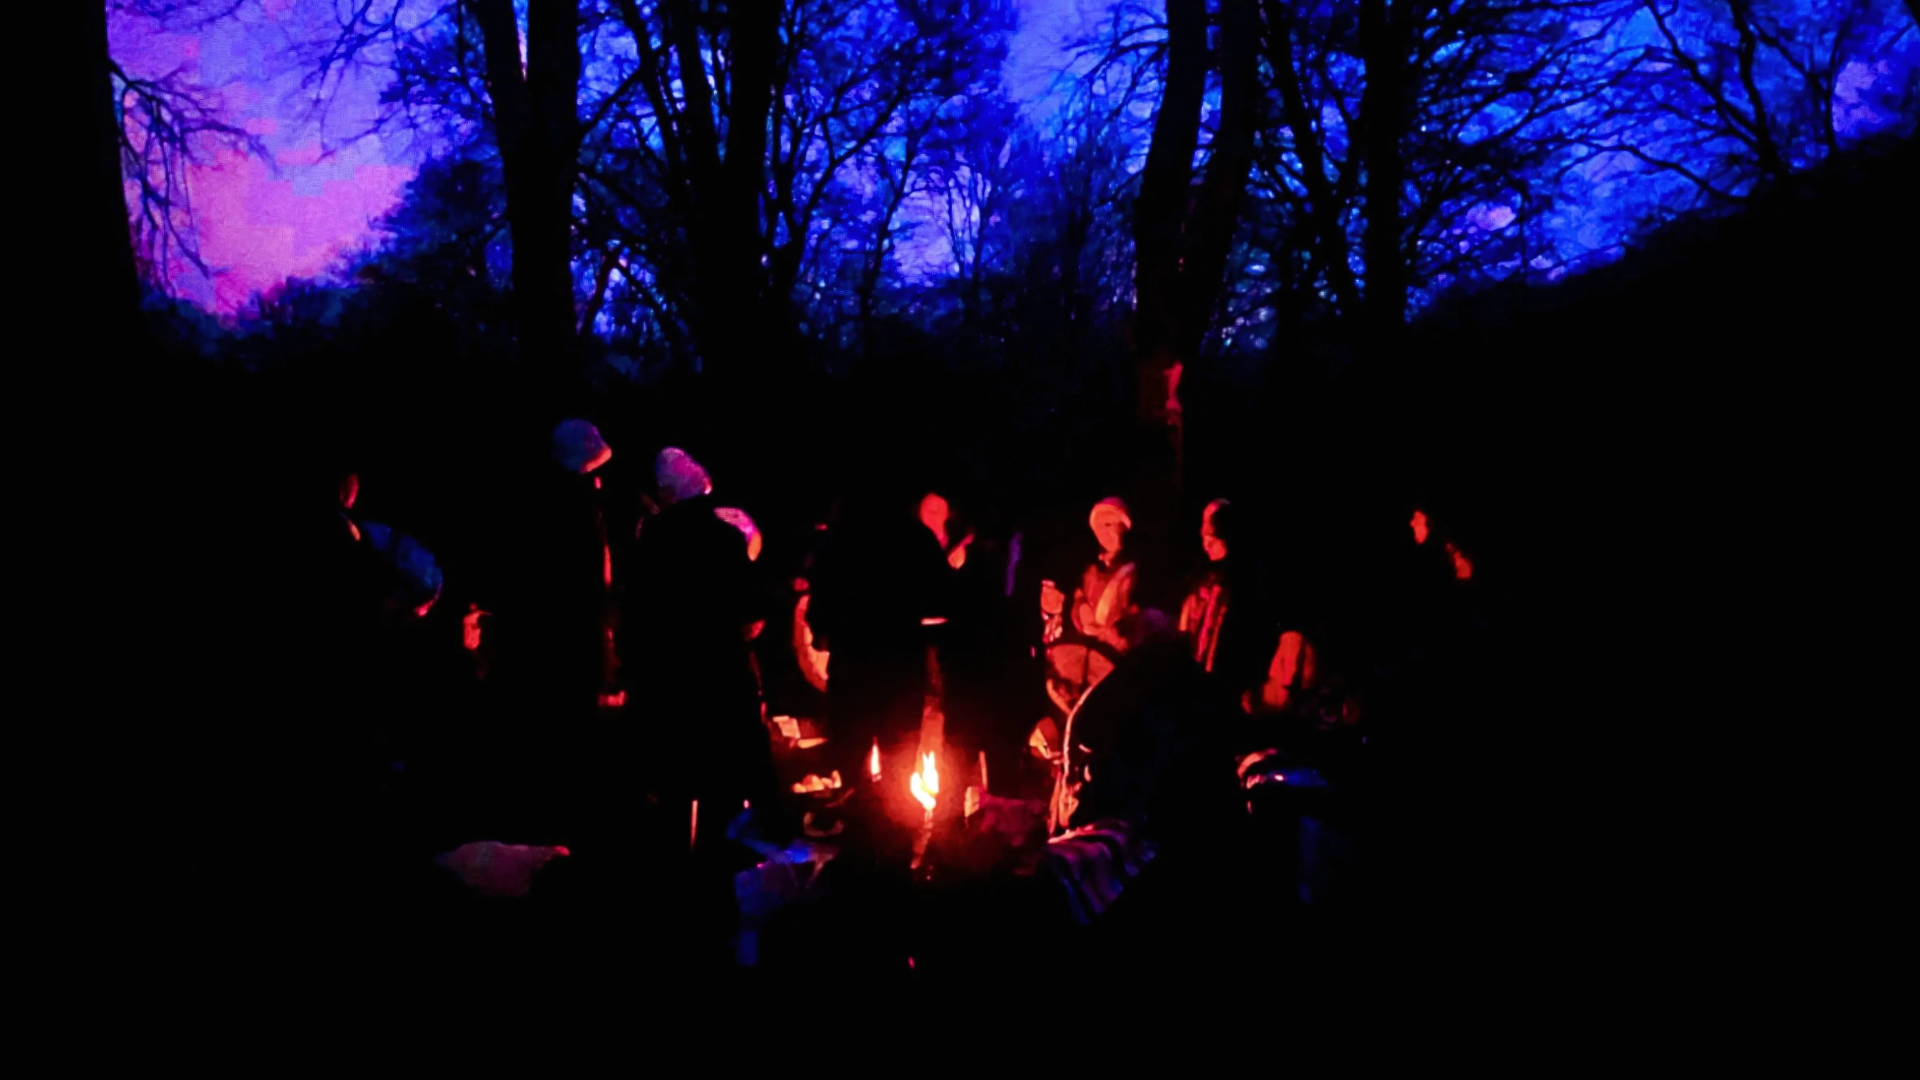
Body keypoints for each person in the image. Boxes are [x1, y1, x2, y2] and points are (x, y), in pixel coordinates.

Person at [1042, 497, 1141, 716]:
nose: (1104, 533)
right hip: (1084, 659)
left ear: (1124, 527)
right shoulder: (1090, 572)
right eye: (1099, 528)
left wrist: (1118, 630)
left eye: (1109, 525)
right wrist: (1079, 610)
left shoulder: (1133, 573)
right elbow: (1078, 600)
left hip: (1115, 662)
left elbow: (1139, 617)